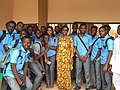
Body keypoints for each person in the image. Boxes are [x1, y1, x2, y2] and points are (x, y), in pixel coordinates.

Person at [74, 23, 92, 90]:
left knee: (87, 72)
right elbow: (75, 48)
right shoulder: (76, 37)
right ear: (79, 29)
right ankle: (78, 85)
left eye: (84, 28)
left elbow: (90, 47)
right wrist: (80, 57)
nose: (83, 29)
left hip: (86, 57)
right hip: (78, 57)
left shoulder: (89, 37)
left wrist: (85, 56)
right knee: (78, 72)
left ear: (86, 29)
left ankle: (87, 86)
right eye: (82, 28)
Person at [56, 25, 75, 89]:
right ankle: (61, 85)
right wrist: (57, 56)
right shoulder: (59, 38)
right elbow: (58, 48)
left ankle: (67, 85)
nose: (65, 31)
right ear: (61, 31)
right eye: (63, 30)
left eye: (66, 30)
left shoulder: (70, 38)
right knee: (60, 71)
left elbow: (72, 49)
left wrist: (71, 58)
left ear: (67, 31)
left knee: (67, 71)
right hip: (60, 57)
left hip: (67, 57)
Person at [109, 25, 120, 90]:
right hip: (116, 66)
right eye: (117, 29)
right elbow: (114, 53)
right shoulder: (116, 40)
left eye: (119, 29)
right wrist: (111, 65)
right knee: (115, 82)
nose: (118, 30)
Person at [90, 26, 102, 90]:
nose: (93, 32)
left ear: (96, 31)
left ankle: (98, 86)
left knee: (97, 73)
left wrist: (95, 58)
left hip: (97, 59)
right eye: (92, 30)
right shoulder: (90, 38)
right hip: (91, 58)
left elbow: (100, 50)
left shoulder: (98, 39)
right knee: (92, 72)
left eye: (94, 30)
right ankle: (94, 84)